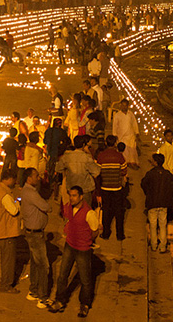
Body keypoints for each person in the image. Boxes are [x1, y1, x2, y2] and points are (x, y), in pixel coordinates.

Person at [49, 186, 99, 317]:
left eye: (74, 195)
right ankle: (60, 300)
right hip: (69, 245)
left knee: (85, 279)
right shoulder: (69, 207)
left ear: (81, 196)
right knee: (62, 275)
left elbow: (95, 230)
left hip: (83, 249)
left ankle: (85, 304)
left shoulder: (89, 213)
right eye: (70, 195)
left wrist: (86, 240)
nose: (71, 198)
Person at [20, 167, 52, 308]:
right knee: (44, 266)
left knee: (34, 263)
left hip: (33, 232)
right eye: (36, 176)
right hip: (35, 234)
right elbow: (46, 206)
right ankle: (42, 297)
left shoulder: (28, 191)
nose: (38, 178)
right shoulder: (30, 193)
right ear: (29, 178)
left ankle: (33, 291)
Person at [0, 170, 22, 293]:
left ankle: (5, 283)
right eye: (14, 179)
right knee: (8, 260)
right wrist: (18, 203)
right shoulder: (5, 194)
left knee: (5, 259)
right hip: (6, 232)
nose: (15, 182)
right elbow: (13, 211)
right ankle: (6, 285)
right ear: (9, 179)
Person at [140, 154, 173, 252]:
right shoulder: (167, 174)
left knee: (153, 225)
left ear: (155, 162)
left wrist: (148, 192)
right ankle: (162, 245)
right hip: (164, 203)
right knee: (162, 224)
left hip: (152, 202)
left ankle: (153, 244)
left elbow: (143, 184)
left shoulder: (150, 174)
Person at [96, 135, 127, 241]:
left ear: (106, 143)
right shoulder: (119, 156)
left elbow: (97, 172)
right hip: (117, 187)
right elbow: (124, 171)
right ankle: (120, 234)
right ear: (114, 143)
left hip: (105, 187)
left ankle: (106, 233)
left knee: (106, 210)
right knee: (119, 211)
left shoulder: (101, 156)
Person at [56, 136, 101, 207]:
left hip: (71, 188)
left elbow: (58, 169)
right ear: (83, 145)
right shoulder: (86, 157)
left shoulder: (67, 156)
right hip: (85, 189)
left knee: (74, 211)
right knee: (85, 211)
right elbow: (96, 172)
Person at [111, 99, 139, 168]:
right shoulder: (117, 115)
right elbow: (115, 125)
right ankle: (125, 162)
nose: (124, 107)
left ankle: (132, 162)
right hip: (121, 135)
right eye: (122, 105)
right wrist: (114, 135)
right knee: (125, 150)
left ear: (127, 106)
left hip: (130, 134)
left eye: (125, 105)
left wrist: (137, 132)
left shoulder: (130, 114)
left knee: (132, 148)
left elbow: (134, 123)